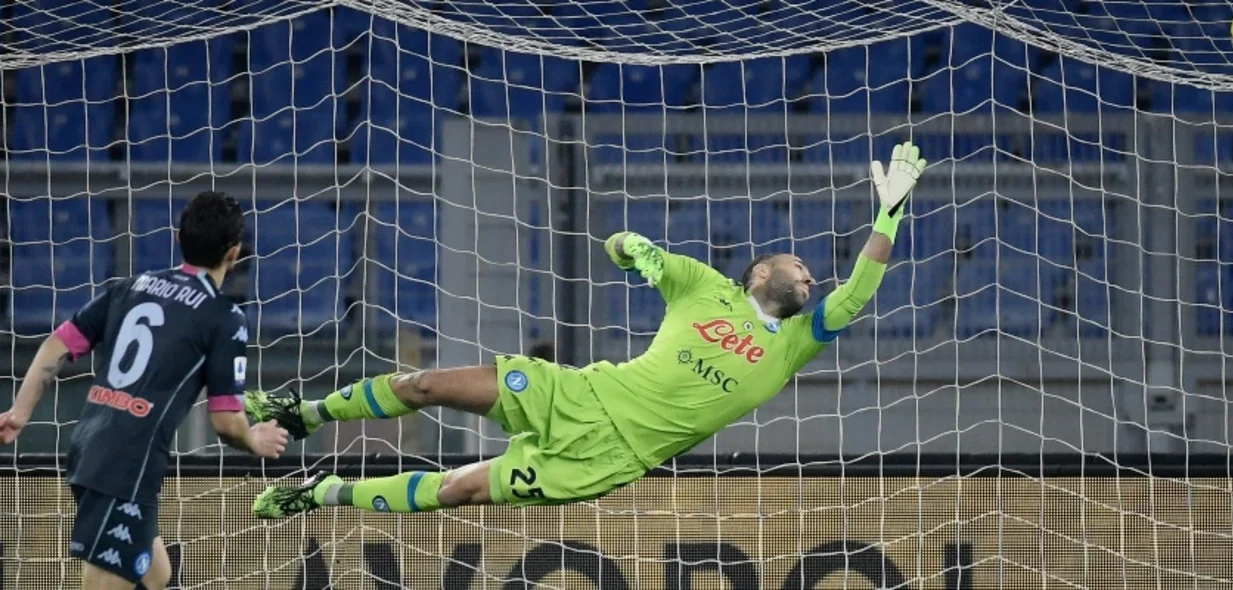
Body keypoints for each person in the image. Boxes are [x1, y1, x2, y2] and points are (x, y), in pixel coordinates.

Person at [248, 142, 927, 519]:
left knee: (459, 489)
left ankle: (318, 493)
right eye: (798, 263)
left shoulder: (794, 343)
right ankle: (301, 414)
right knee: (424, 383)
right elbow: (622, 246)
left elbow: (859, 293)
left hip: (609, 458)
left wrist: (889, 214)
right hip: (576, 395)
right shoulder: (701, 286)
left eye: (812, 275)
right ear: (758, 271)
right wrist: (634, 246)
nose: (809, 275)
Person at [0, 192, 290, 590]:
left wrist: (19, 411)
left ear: (177, 238)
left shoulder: (131, 286)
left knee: (157, 574)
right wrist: (253, 439)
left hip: (91, 444)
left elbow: (57, 344)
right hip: (129, 461)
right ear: (234, 253)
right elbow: (225, 420)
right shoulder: (224, 317)